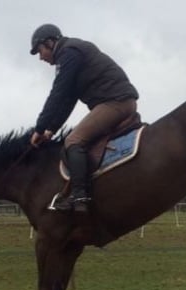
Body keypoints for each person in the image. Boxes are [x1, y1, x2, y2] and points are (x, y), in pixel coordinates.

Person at [29, 24, 139, 213]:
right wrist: (50, 130)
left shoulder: (69, 53)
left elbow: (58, 93)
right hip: (117, 100)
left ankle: (79, 195)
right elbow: (68, 100)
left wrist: (39, 128)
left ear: (49, 42)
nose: (40, 57)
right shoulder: (70, 52)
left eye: (39, 51)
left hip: (115, 102)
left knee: (73, 141)